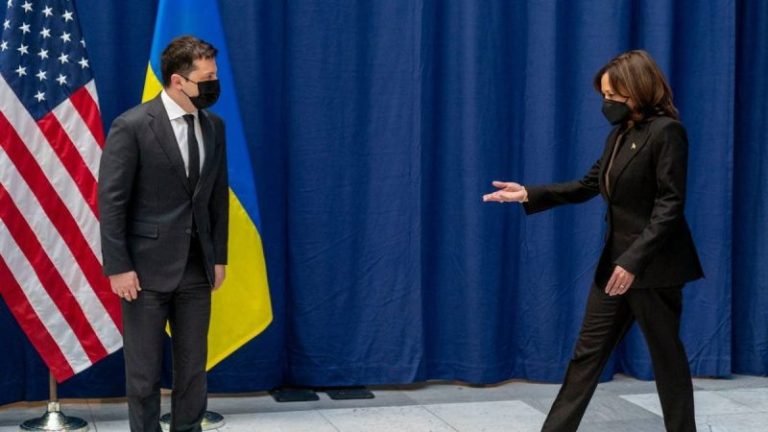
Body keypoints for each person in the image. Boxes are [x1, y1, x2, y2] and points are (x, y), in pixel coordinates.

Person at [483, 50, 703, 432]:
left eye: (613, 95)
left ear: (638, 90)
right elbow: (587, 185)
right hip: (613, 266)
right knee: (585, 357)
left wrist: (632, 262)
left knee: (667, 360)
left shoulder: (667, 132)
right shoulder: (619, 135)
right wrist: (528, 193)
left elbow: (669, 206)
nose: (606, 103)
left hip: (653, 269)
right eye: (604, 95)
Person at [98, 35, 229, 432]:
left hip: (196, 267)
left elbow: (216, 197)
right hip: (144, 271)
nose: (214, 84)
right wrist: (118, 266)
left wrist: (219, 257)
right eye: (206, 78)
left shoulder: (214, 126)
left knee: (193, 368)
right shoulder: (133, 126)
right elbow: (112, 202)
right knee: (143, 373)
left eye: (215, 75)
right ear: (177, 80)